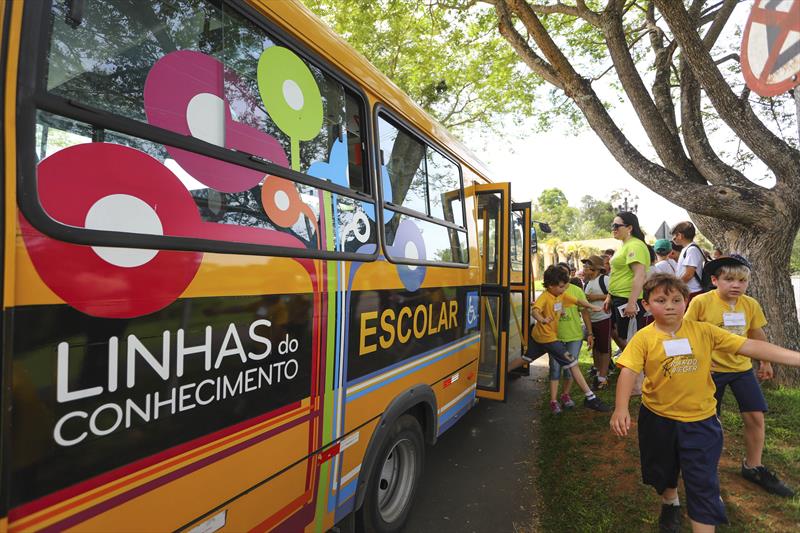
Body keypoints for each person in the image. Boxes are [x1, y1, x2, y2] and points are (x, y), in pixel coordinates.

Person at [610, 274, 800, 533]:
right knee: (662, 471)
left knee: (703, 485)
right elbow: (628, 372)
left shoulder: (705, 331)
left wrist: (796, 358)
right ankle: (670, 502)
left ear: (686, 302)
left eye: (677, 300)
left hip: (701, 422)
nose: (670, 306)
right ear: (646, 305)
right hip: (658, 419)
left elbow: (750, 346)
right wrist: (621, 408)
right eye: (661, 300)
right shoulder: (643, 338)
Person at [685, 255, 794, 497]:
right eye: (730, 279)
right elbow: (687, 333)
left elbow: (756, 332)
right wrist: (701, 359)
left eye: (742, 280)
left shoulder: (750, 304)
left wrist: (765, 360)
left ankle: (753, 467)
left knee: (756, 416)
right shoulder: (701, 302)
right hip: (711, 372)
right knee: (710, 424)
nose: (737, 285)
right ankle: (708, 473)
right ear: (715, 280)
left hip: (742, 369)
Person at [524, 265, 611, 412]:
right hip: (548, 338)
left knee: (525, 358)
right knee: (572, 363)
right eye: (562, 286)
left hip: (539, 337)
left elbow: (578, 301)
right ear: (551, 286)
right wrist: (542, 320)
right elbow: (535, 311)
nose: (565, 289)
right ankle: (590, 398)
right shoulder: (545, 296)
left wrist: (592, 307)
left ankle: (502, 369)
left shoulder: (561, 294)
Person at [546, 263, 594, 413]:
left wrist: (590, 333)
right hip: (555, 337)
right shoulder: (551, 292)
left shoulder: (577, 291)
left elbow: (585, 312)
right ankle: (553, 401)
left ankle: (565, 395)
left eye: (565, 276)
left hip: (574, 336)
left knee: (570, 369)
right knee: (554, 368)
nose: (563, 280)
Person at [603, 211, 654, 350]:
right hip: (618, 298)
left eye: (616, 226)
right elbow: (617, 273)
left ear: (629, 228)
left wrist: (631, 303)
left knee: (632, 340)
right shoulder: (624, 245)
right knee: (621, 335)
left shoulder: (635, 246)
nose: (613, 229)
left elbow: (640, 275)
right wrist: (609, 296)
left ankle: (639, 368)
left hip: (628, 299)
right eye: (612, 225)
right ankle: (630, 364)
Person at [582, 255, 612, 389]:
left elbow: (614, 294)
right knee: (596, 347)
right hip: (591, 321)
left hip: (603, 318)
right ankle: (598, 370)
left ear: (595, 269)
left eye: (587, 266)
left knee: (604, 348)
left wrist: (596, 297)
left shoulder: (604, 280)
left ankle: (603, 377)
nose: (584, 269)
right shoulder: (587, 283)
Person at [671, 221, 705, 304]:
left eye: (674, 235)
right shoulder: (687, 249)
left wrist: (675, 286)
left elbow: (689, 274)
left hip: (692, 291)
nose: (673, 238)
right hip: (688, 291)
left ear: (680, 235)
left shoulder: (691, 250)